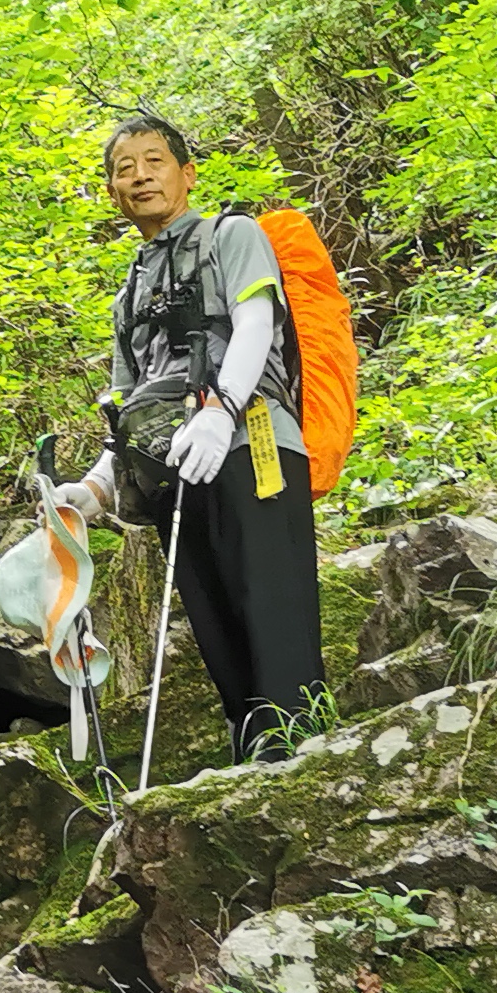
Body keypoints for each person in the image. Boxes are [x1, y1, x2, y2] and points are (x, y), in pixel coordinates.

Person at [98, 114, 329, 761]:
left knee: (270, 598)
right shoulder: (129, 295)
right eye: (124, 168)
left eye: (153, 161)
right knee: (215, 620)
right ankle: (254, 750)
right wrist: (91, 489)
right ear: (114, 193)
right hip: (173, 467)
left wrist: (223, 408)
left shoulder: (233, 236)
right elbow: (125, 410)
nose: (140, 176)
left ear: (187, 173)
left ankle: (299, 746)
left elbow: (257, 323)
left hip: (252, 442)